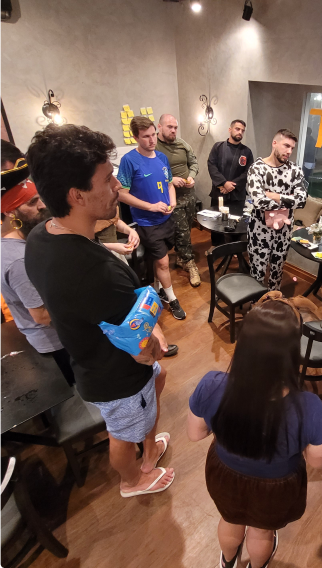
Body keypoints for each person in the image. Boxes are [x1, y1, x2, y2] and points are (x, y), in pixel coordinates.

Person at [26, 124, 176, 498]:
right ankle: (133, 479)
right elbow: (142, 351)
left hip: (88, 356)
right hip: (116, 375)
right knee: (122, 435)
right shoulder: (97, 274)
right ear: (77, 195)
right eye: (108, 179)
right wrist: (156, 340)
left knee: (157, 381)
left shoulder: (41, 236)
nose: (116, 187)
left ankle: (151, 447)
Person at [187, 299, 322, 568]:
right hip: (276, 485)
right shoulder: (308, 407)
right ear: (291, 352)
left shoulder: (211, 385)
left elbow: (195, 434)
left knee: (230, 520)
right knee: (262, 531)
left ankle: (228, 563)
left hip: (225, 473)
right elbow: (318, 460)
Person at [0, 142, 74, 385]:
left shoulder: (19, 240)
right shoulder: (18, 260)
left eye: (38, 197)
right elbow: (42, 315)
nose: (42, 205)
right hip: (55, 342)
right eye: (31, 203)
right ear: (11, 213)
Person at [118, 116, 186, 320]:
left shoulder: (162, 157)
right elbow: (122, 193)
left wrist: (172, 201)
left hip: (166, 219)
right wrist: (151, 206)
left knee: (159, 260)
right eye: (146, 137)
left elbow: (169, 184)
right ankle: (172, 299)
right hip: (147, 222)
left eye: (153, 135)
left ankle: (158, 289)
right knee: (164, 262)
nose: (152, 140)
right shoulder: (129, 160)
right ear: (135, 137)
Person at [247, 129, 307, 291]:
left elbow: (301, 201)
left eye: (292, 148)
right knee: (257, 273)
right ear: (274, 143)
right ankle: (255, 306)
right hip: (260, 231)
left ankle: (273, 309)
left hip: (284, 232)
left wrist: (274, 196)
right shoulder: (257, 168)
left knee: (277, 273)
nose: (289, 151)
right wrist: (288, 199)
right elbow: (259, 201)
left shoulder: (295, 170)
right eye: (286, 146)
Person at [156, 114, 201, 287]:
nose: (173, 130)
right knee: (182, 231)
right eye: (169, 127)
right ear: (159, 127)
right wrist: (171, 180)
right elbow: (153, 173)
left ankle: (181, 257)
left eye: (175, 127)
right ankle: (190, 264)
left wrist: (191, 176)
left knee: (186, 230)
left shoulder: (182, 144)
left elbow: (194, 163)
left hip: (189, 195)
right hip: (170, 198)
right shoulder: (155, 147)